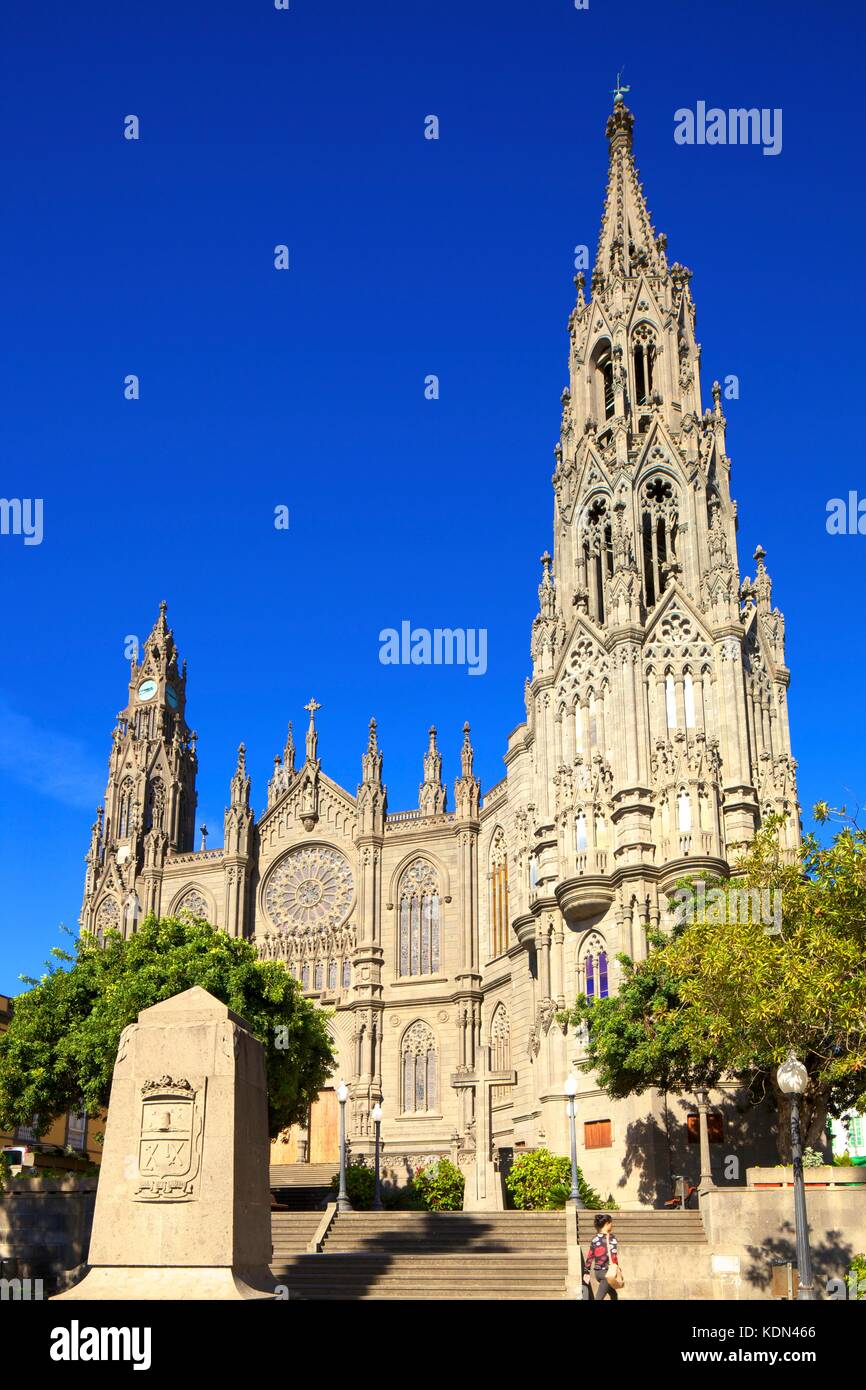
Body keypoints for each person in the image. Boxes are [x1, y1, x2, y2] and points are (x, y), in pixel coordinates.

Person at [583, 1212, 620, 1301]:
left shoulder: (595, 1239)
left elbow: (590, 1256)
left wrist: (586, 1271)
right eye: (611, 1223)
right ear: (607, 1224)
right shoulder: (612, 1238)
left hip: (598, 1273)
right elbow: (614, 1256)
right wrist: (617, 1268)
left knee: (614, 1295)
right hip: (607, 1273)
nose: (612, 1225)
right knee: (599, 1298)